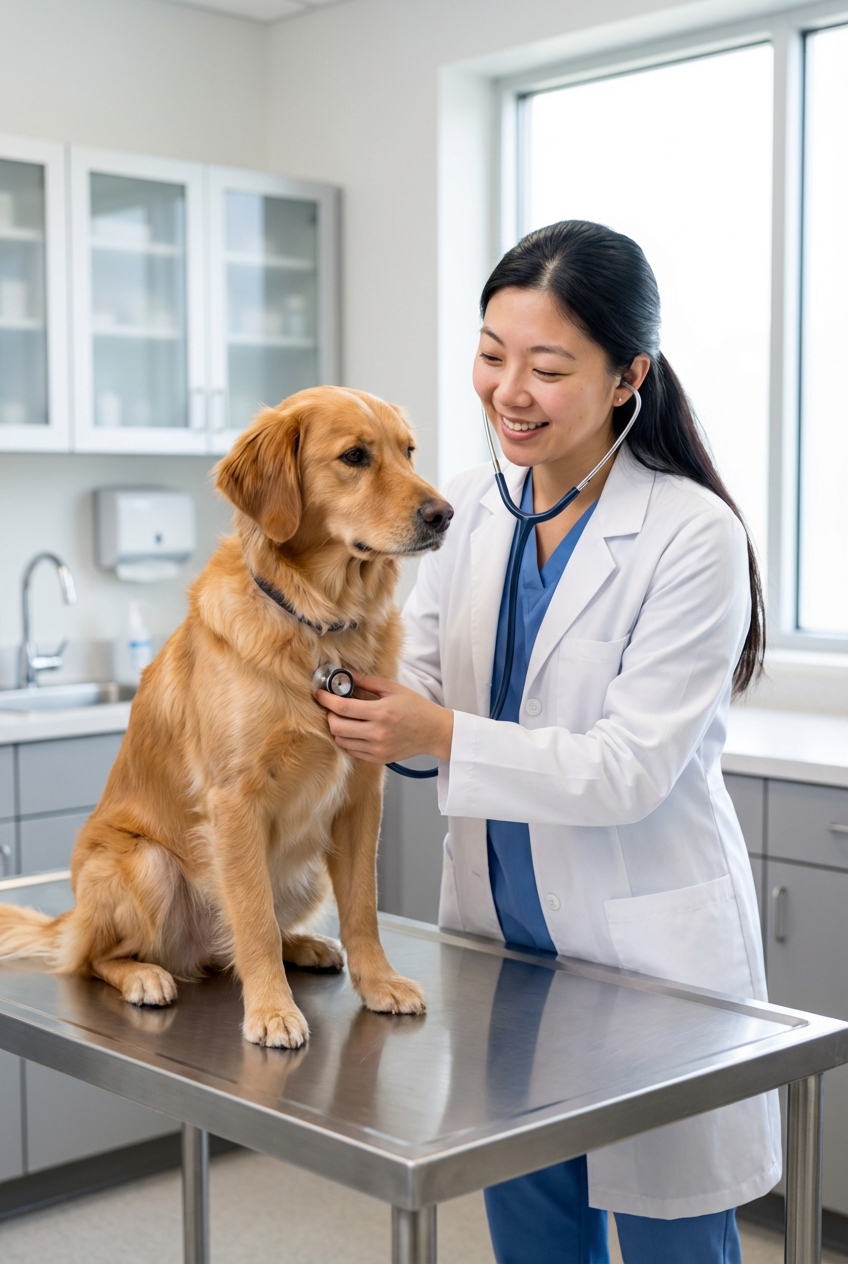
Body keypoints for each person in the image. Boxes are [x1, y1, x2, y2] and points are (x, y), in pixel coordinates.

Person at [317, 220, 781, 1264]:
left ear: (627, 377)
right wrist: (334, 682)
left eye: (547, 366)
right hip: (507, 962)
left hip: (646, 966)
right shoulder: (470, 511)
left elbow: (626, 770)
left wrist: (431, 728)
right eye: (490, 354)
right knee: (531, 1236)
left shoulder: (689, 532)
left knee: (671, 1240)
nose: (506, 389)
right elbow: (423, 692)